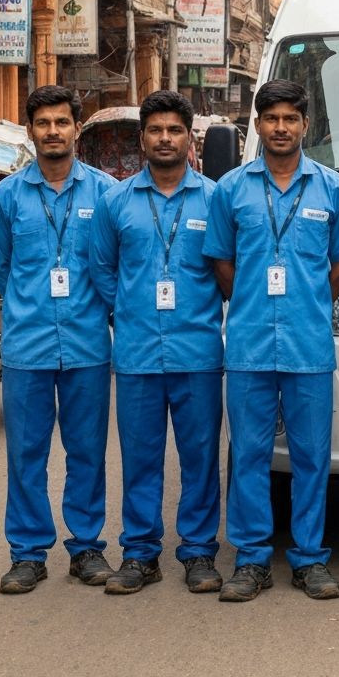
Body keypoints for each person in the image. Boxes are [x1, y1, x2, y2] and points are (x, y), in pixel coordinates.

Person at [203, 79, 339, 602]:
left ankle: (310, 558)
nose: (281, 127)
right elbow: (222, 262)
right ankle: (251, 560)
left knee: (312, 455)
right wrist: (250, 300)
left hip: (309, 345)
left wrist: (309, 301)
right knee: (248, 453)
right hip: (247, 346)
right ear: (258, 125)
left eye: (291, 118)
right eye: (271, 119)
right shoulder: (231, 189)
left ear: (305, 126)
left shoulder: (332, 189)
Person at [90, 90, 224, 596]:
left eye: (174, 130)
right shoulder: (116, 202)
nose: (164, 139)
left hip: (198, 353)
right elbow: (103, 270)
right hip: (139, 354)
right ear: (141, 137)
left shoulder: (215, 199)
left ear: (190, 138)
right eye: (155, 130)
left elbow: (225, 268)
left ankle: (198, 552)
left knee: (199, 457)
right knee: (141, 458)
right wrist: (127, 311)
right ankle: (140, 553)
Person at [0, 85, 117, 594]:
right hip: (27, 347)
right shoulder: (6, 198)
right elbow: (2, 269)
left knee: (86, 450)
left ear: (76, 129)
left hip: (86, 345)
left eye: (63, 122)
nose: (53, 132)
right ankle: (27, 553)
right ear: (30, 131)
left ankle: (86, 549)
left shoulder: (106, 193)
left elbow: (110, 267)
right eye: (44, 123)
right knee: (26, 453)